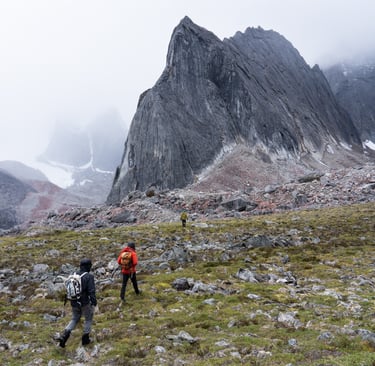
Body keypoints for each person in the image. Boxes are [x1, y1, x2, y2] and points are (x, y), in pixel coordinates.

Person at [57, 258, 97, 348]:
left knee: (75, 319)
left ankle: (64, 336)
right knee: (88, 319)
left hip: (74, 301)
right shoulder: (89, 276)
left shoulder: (73, 275)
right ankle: (85, 338)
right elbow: (91, 291)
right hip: (85, 303)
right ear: (88, 266)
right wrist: (94, 302)